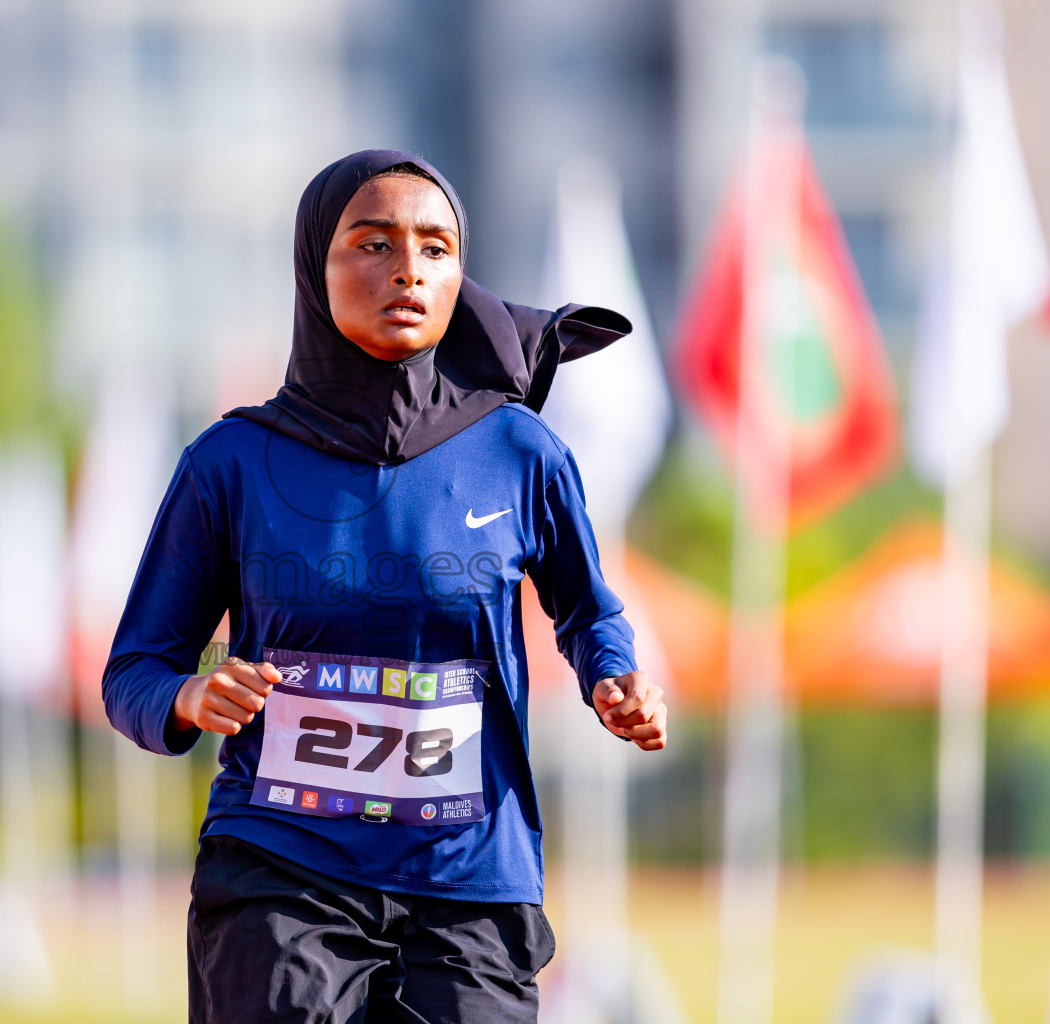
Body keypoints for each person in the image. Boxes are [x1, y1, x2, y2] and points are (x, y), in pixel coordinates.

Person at [101, 149, 668, 1023]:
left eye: (436, 249)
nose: (407, 268)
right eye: (372, 244)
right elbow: (133, 671)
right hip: (280, 870)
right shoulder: (230, 463)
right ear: (311, 267)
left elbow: (588, 611)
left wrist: (614, 679)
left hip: (471, 875)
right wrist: (187, 697)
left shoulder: (520, 452)